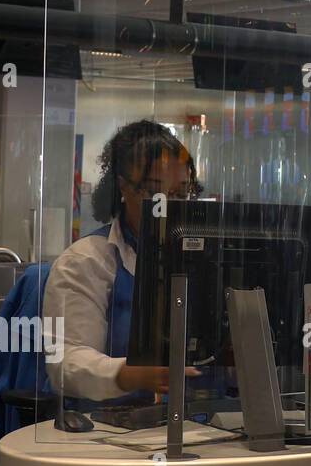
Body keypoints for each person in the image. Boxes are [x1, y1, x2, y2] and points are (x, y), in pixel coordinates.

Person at [44, 120, 202, 403]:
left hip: (202, 428)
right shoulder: (86, 262)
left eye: (179, 194)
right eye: (154, 192)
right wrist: (127, 375)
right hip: (105, 432)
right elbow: (64, 363)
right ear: (122, 187)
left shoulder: (202, 259)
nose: (166, 206)